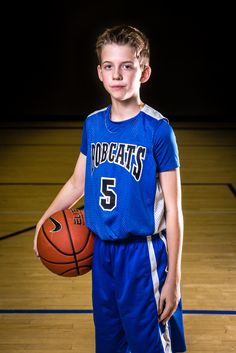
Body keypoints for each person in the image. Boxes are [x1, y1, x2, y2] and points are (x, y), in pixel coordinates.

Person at [34, 24, 187, 353]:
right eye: (109, 66)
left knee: (151, 344)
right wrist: (43, 221)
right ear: (100, 72)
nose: (117, 74)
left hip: (143, 254)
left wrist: (172, 279)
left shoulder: (158, 130)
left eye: (127, 65)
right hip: (102, 253)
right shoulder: (93, 124)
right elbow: (78, 182)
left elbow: (174, 210)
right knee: (109, 341)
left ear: (144, 72)